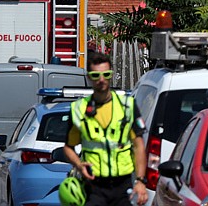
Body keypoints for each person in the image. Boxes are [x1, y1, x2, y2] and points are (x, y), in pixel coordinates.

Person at [61, 51, 148, 206]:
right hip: (94, 186)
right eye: (96, 76)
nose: (101, 80)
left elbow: (138, 145)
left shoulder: (127, 106)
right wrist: (79, 165)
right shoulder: (79, 109)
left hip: (123, 185)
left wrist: (140, 181)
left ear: (111, 75)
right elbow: (68, 147)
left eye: (106, 74)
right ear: (89, 77)